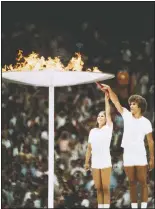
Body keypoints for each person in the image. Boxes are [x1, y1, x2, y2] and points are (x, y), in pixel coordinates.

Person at [97, 83, 154, 209]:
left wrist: (152, 158)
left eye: (134, 104)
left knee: (143, 183)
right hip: (128, 153)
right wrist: (110, 90)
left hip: (140, 153)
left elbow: (150, 142)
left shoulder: (146, 122)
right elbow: (116, 101)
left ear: (140, 106)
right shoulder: (126, 115)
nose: (131, 105)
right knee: (132, 183)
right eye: (131, 103)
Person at [84, 92, 113, 208]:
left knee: (105, 188)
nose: (100, 117)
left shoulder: (108, 128)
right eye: (99, 116)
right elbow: (89, 148)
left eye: (102, 116)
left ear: (106, 119)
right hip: (95, 162)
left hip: (105, 161)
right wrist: (86, 162)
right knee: (98, 188)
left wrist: (106, 100)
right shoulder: (93, 131)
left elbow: (108, 112)